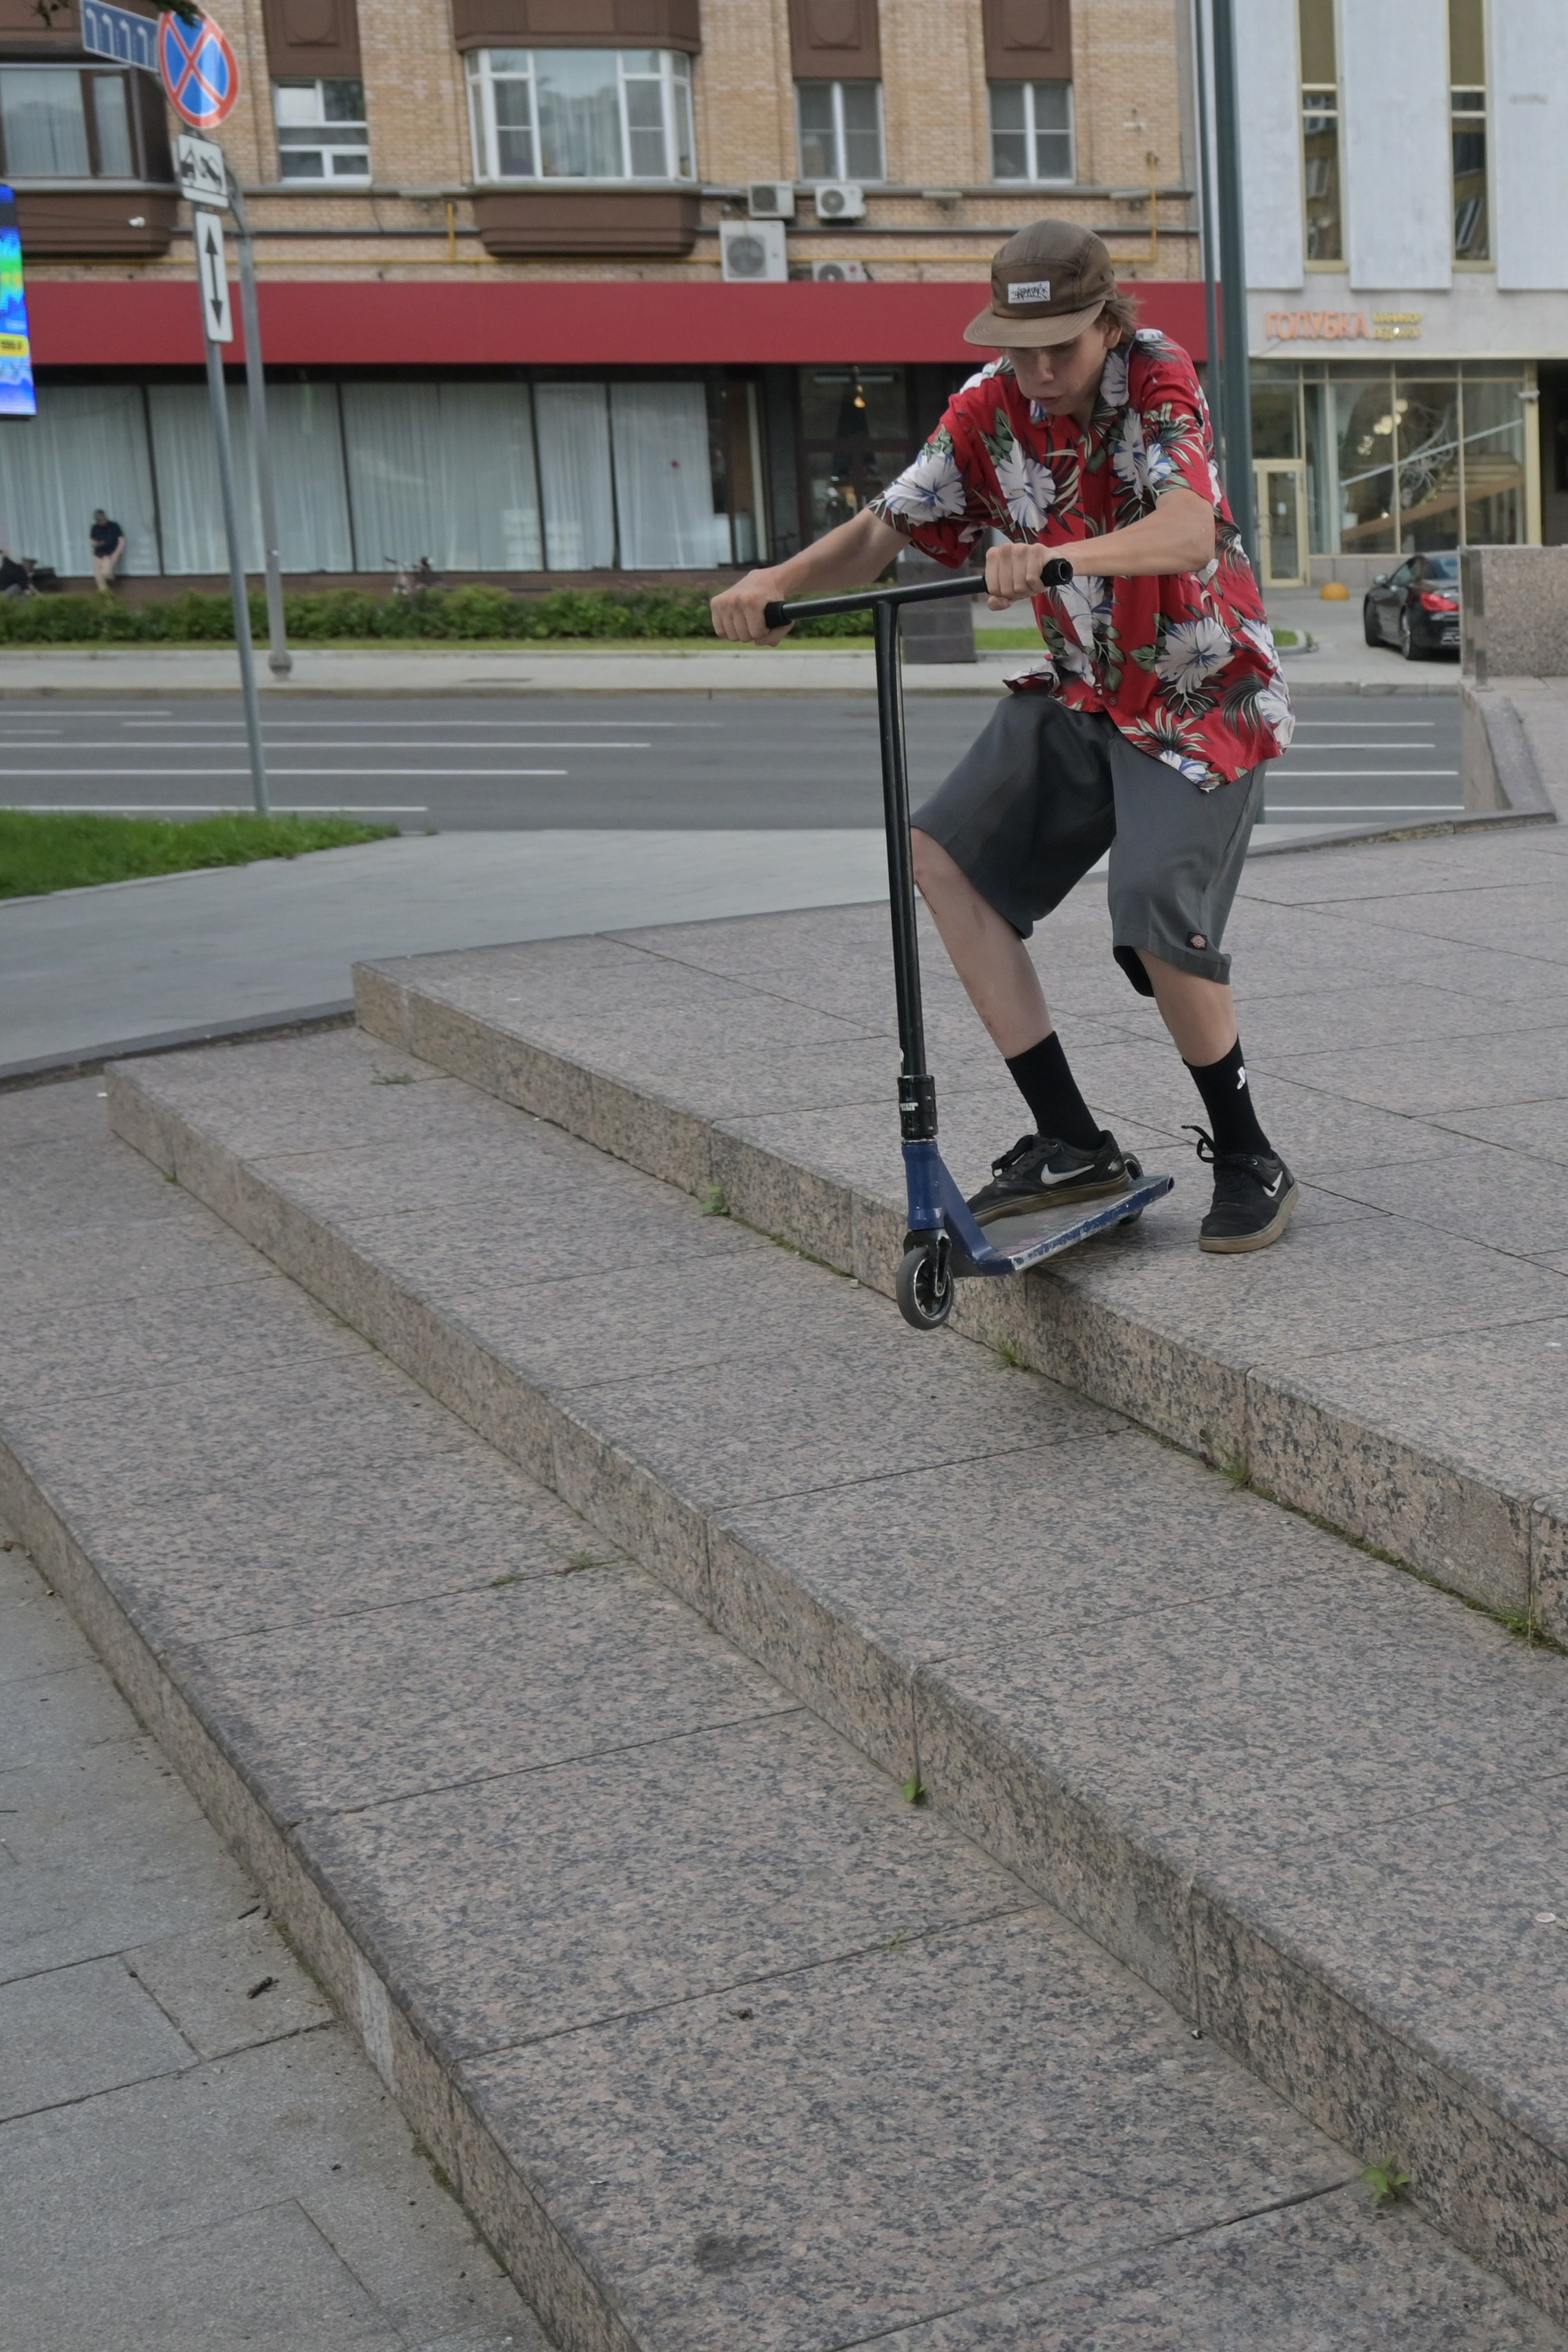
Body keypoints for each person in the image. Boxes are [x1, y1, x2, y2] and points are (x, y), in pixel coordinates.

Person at [711, 221, 1298, 1254]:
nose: (1040, 371)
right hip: (1081, 691)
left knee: (1150, 908)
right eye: (1020, 349)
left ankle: (1250, 1154)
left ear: (1108, 324)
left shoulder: (1157, 377)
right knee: (941, 855)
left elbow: (1187, 528)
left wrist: (1059, 555)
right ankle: (1071, 1139)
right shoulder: (988, 407)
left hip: (1199, 694)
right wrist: (778, 581)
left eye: (1060, 348)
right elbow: (884, 528)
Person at [89, 509, 126, 593]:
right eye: (98, 520)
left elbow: (122, 541)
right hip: (98, 554)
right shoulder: (95, 528)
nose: (100, 521)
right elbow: (92, 541)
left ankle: (112, 580)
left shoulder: (114, 526)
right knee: (99, 579)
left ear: (105, 517)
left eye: (101, 519)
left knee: (106, 573)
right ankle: (105, 596)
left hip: (110, 554)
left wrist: (116, 553)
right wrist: (97, 544)